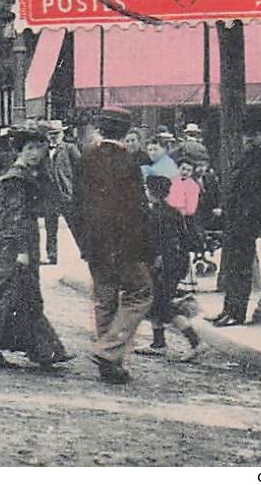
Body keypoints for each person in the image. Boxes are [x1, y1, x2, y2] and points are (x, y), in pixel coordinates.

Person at [0, 128, 71, 369]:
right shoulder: (15, 179)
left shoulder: (32, 175)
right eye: (29, 148)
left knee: (28, 295)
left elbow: (52, 202)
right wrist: (20, 250)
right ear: (19, 150)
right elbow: (13, 216)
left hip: (28, 237)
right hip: (16, 241)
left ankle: (43, 349)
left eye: (38, 148)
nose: (34, 153)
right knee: (8, 292)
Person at [75, 107, 153, 384]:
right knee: (141, 293)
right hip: (124, 244)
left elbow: (77, 206)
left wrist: (84, 241)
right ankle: (109, 351)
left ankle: (110, 366)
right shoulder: (128, 163)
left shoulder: (86, 158)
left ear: (101, 129)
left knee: (105, 299)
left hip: (95, 244)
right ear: (125, 131)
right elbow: (137, 210)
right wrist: (145, 247)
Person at [212, 115, 261, 326]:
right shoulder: (254, 155)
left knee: (241, 266)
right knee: (234, 266)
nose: (245, 140)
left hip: (248, 220)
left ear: (258, 135)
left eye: (249, 136)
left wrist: (251, 213)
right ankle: (228, 309)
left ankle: (236, 312)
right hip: (237, 218)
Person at [137, 174, 207, 361]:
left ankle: (196, 342)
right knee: (155, 303)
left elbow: (166, 245)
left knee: (165, 306)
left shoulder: (160, 215)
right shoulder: (169, 211)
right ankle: (158, 343)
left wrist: (159, 264)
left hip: (166, 266)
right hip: (172, 264)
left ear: (152, 191)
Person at [40, 119, 80, 265]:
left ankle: (86, 252)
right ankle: (52, 255)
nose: (53, 137)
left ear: (62, 134)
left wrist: (77, 191)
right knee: (50, 228)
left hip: (66, 194)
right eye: (50, 134)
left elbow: (80, 170)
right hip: (49, 195)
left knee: (75, 225)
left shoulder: (70, 148)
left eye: (56, 133)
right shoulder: (43, 151)